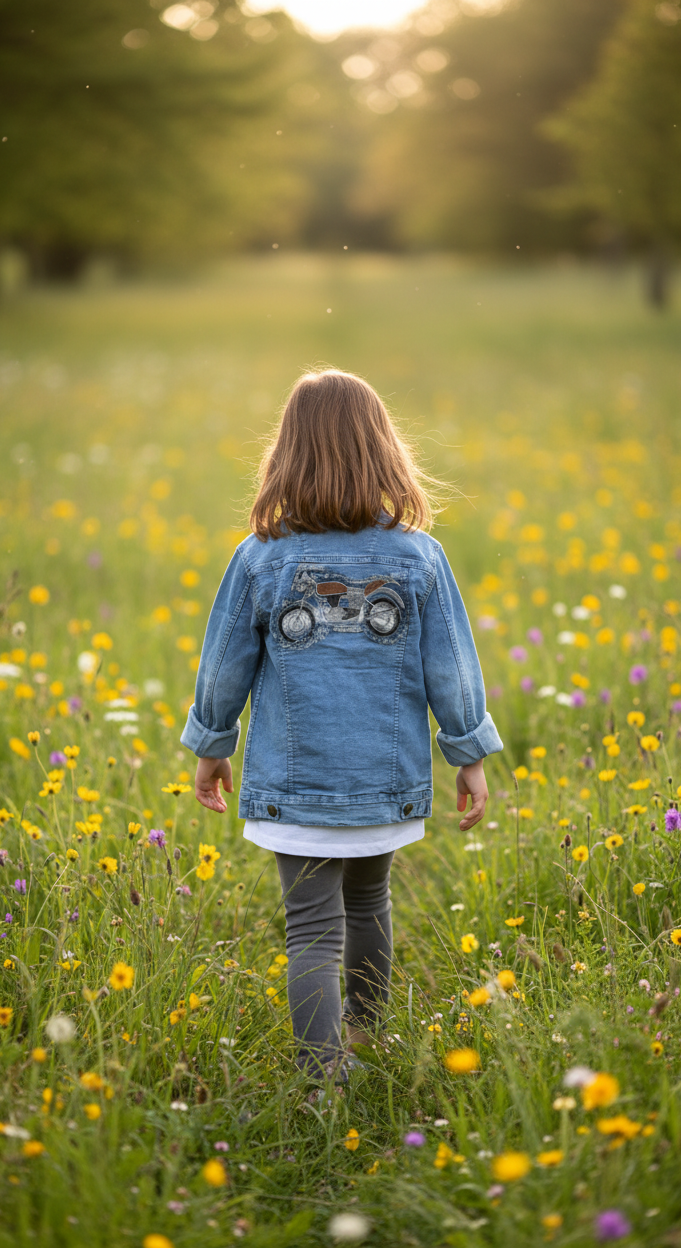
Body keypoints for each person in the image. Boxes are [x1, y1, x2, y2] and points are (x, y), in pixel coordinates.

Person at [181, 368, 502, 1082]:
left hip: (296, 787)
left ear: (285, 455)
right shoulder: (418, 555)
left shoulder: (261, 556)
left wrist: (211, 743)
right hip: (381, 782)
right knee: (369, 903)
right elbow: (453, 665)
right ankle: (365, 1034)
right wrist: (469, 754)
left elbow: (223, 664)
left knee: (312, 931)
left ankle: (322, 1077)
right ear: (382, 450)